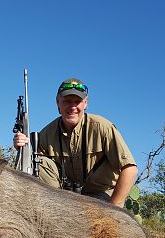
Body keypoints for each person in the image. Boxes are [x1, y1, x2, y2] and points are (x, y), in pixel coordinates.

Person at [13, 78, 138, 208]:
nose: (72, 107)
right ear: (58, 103)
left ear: (85, 103)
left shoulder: (102, 127)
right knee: (37, 162)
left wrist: (114, 210)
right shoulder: (46, 133)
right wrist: (22, 147)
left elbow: (130, 169)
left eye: (77, 102)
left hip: (101, 197)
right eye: (67, 101)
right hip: (65, 198)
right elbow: (31, 166)